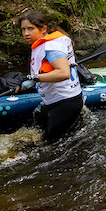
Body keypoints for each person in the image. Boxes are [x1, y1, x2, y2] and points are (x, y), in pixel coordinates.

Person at [16, 11, 83, 141]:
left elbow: (63, 73)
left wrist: (34, 78)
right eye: (23, 29)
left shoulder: (51, 46)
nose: (26, 33)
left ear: (43, 29)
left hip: (65, 102)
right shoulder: (43, 43)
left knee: (51, 143)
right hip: (55, 101)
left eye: (30, 29)